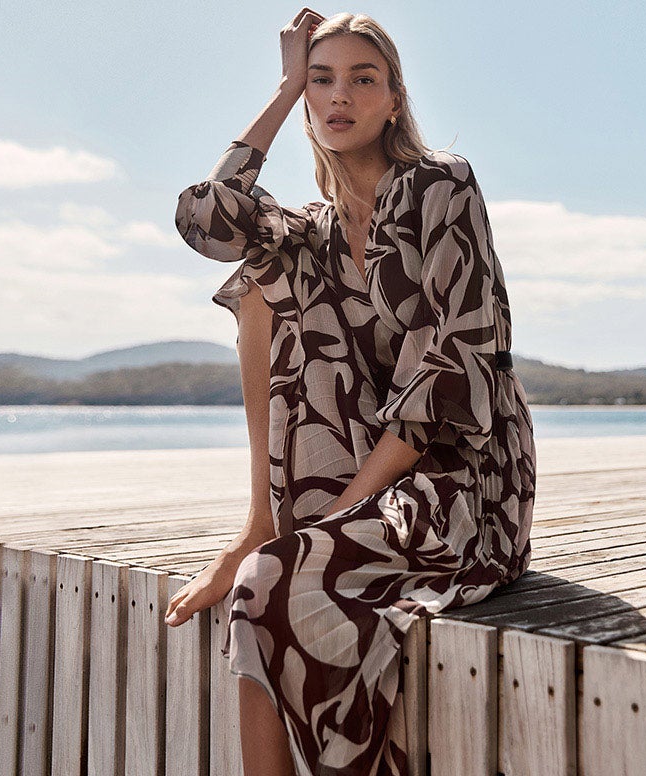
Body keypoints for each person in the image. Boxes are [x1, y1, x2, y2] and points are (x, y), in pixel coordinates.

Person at [165, 9, 536, 775]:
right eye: (322, 80)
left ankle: (290, 544)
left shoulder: (441, 187)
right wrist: (282, 86)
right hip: (359, 484)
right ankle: (262, 523)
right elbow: (208, 219)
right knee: (266, 288)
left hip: (461, 479)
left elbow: (452, 371)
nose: (340, 96)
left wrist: (334, 520)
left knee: (270, 583)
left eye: (362, 80)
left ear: (394, 99)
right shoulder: (311, 231)